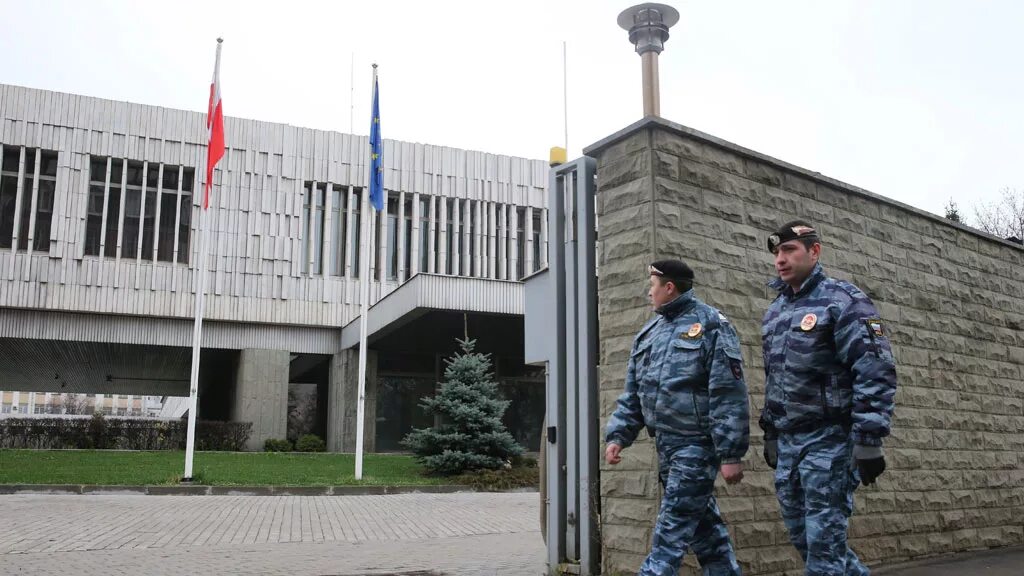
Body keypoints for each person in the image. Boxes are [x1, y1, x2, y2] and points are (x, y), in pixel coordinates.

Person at [760, 221, 897, 576]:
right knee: (805, 540)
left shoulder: (844, 301)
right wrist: (771, 431)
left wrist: (868, 438)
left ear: (814, 251)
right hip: (790, 445)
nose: (780, 259)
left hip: (830, 442)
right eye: (777, 252)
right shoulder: (775, 313)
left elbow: (874, 368)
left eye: (789, 250)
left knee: (823, 548)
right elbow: (775, 378)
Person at [605, 259, 749, 576]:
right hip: (667, 448)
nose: (648, 292)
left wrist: (730, 453)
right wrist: (618, 436)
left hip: (696, 447)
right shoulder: (649, 334)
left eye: (652, 285)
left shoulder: (712, 325)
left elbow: (728, 393)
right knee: (707, 535)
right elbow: (633, 393)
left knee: (670, 535)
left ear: (669, 287)